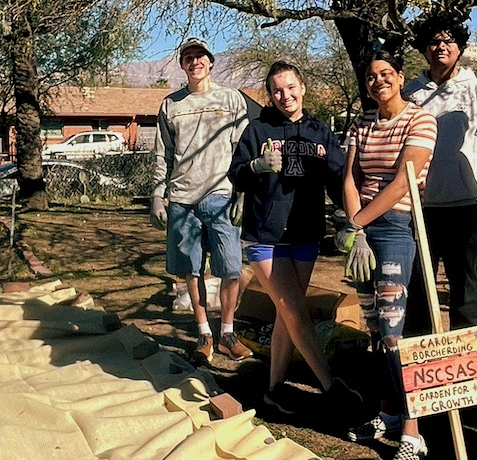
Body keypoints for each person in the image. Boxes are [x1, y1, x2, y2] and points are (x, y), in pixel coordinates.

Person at [228, 61, 362, 417]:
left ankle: (273, 391)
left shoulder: (320, 132)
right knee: (294, 310)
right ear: (270, 95)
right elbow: (236, 174)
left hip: (305, 233)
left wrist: (356, 220)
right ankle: (331, 387)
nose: (285, 96)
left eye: (290, 88)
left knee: (287, 314)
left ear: (302, 88)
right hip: (264, 236)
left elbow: (340, 180)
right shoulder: (257, 130)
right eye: (276, 90)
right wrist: (256, 166)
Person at [339, 47, 438, 460]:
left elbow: (403, 181)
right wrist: (354, 228)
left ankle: (412, 437)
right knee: (375, 331)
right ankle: (388, 412)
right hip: (361, 233)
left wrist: (358, 220)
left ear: (400, 77)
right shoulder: (362, 123)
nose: (378, 82)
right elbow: (349, 176)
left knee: (397, 333)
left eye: (385, 74)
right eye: (371, 77)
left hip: (397, 229)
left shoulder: (420, 119)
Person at [151, 37, 251, 363]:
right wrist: (157, 194)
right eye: (188, 57)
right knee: (191, 271)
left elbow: (244, 149)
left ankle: (227, 333)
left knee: (232, 267)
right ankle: (204, 333)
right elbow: (162, 153)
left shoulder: (231, 99)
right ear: (183, 65)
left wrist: (243, 192)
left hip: (221, 196)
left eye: (200, 56)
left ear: (211, 61)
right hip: (181, 200)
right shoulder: (171, 105)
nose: (195, 62)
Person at [401, 18, 477, 338]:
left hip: (465, 205)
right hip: (419, 206)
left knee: (465, 288)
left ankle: (465, 369)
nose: (441, 47)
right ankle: (420, 366)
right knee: (418, 287)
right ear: (424, 48)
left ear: (459, 47)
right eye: (434, 41)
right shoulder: (410, 93)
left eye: (448, 41)